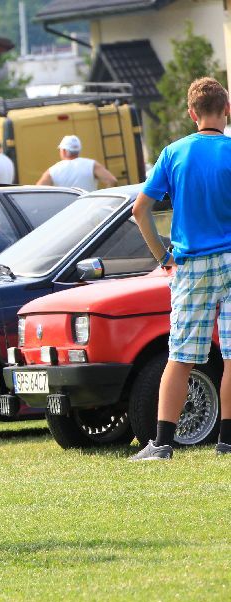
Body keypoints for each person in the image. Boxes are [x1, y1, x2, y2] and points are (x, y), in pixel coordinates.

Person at [130, 77, 231, 461]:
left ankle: (163, 443)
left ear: (192, 114)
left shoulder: (174, 153)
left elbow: (140, 210)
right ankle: (227, 440)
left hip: (193, 265)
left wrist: (162, 255)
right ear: (227, 110)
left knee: (182, 354)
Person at [36, 135, 118, 191]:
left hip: (67, 212)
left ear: (64, 151)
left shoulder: (53, 170)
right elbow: (112, 181)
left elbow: (38, 190)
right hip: (90, 209)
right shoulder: (92, 165)